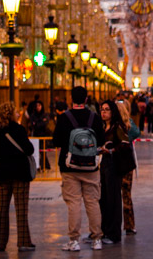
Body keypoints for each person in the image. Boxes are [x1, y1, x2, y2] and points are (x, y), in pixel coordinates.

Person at [52, 85, 105, 251]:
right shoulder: (94, 117)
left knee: (73, 203)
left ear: (70, 99)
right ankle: (97, 239)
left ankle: (74, 241)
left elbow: (56, 141)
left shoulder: (64, 118)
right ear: (86, 99)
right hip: (91, 166)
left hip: (70, 167)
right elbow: (101, 139)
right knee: (92, 202)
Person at [0, 101, 35, 252]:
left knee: (1, 208)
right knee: (21, 209)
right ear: (11, 114)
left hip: (1, 174)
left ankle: (0, 243)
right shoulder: (19, 129)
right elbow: (29, 149)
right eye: (16, 111)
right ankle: (23, 242)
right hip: (20, 172)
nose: (18, 113)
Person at [99, 100, 131, 245]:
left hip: (113, 165)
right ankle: (105, 230)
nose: (103, 112)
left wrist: (111, 150)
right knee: (104, 198)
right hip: (104, 164)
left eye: (106, 110)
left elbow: (125, 145)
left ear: (113, 112)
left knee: (113, 199)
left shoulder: (117, 127)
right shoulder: (103, 127)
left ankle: (114, 233)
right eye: (102, 109)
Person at [116, 99, 139, 236]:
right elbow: (136, 133)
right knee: (127, 194)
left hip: (115, 162)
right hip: (127, 162)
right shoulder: (129, 124)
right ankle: (129, 225)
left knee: (112, 195)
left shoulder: (114, 125)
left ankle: (113, 225)